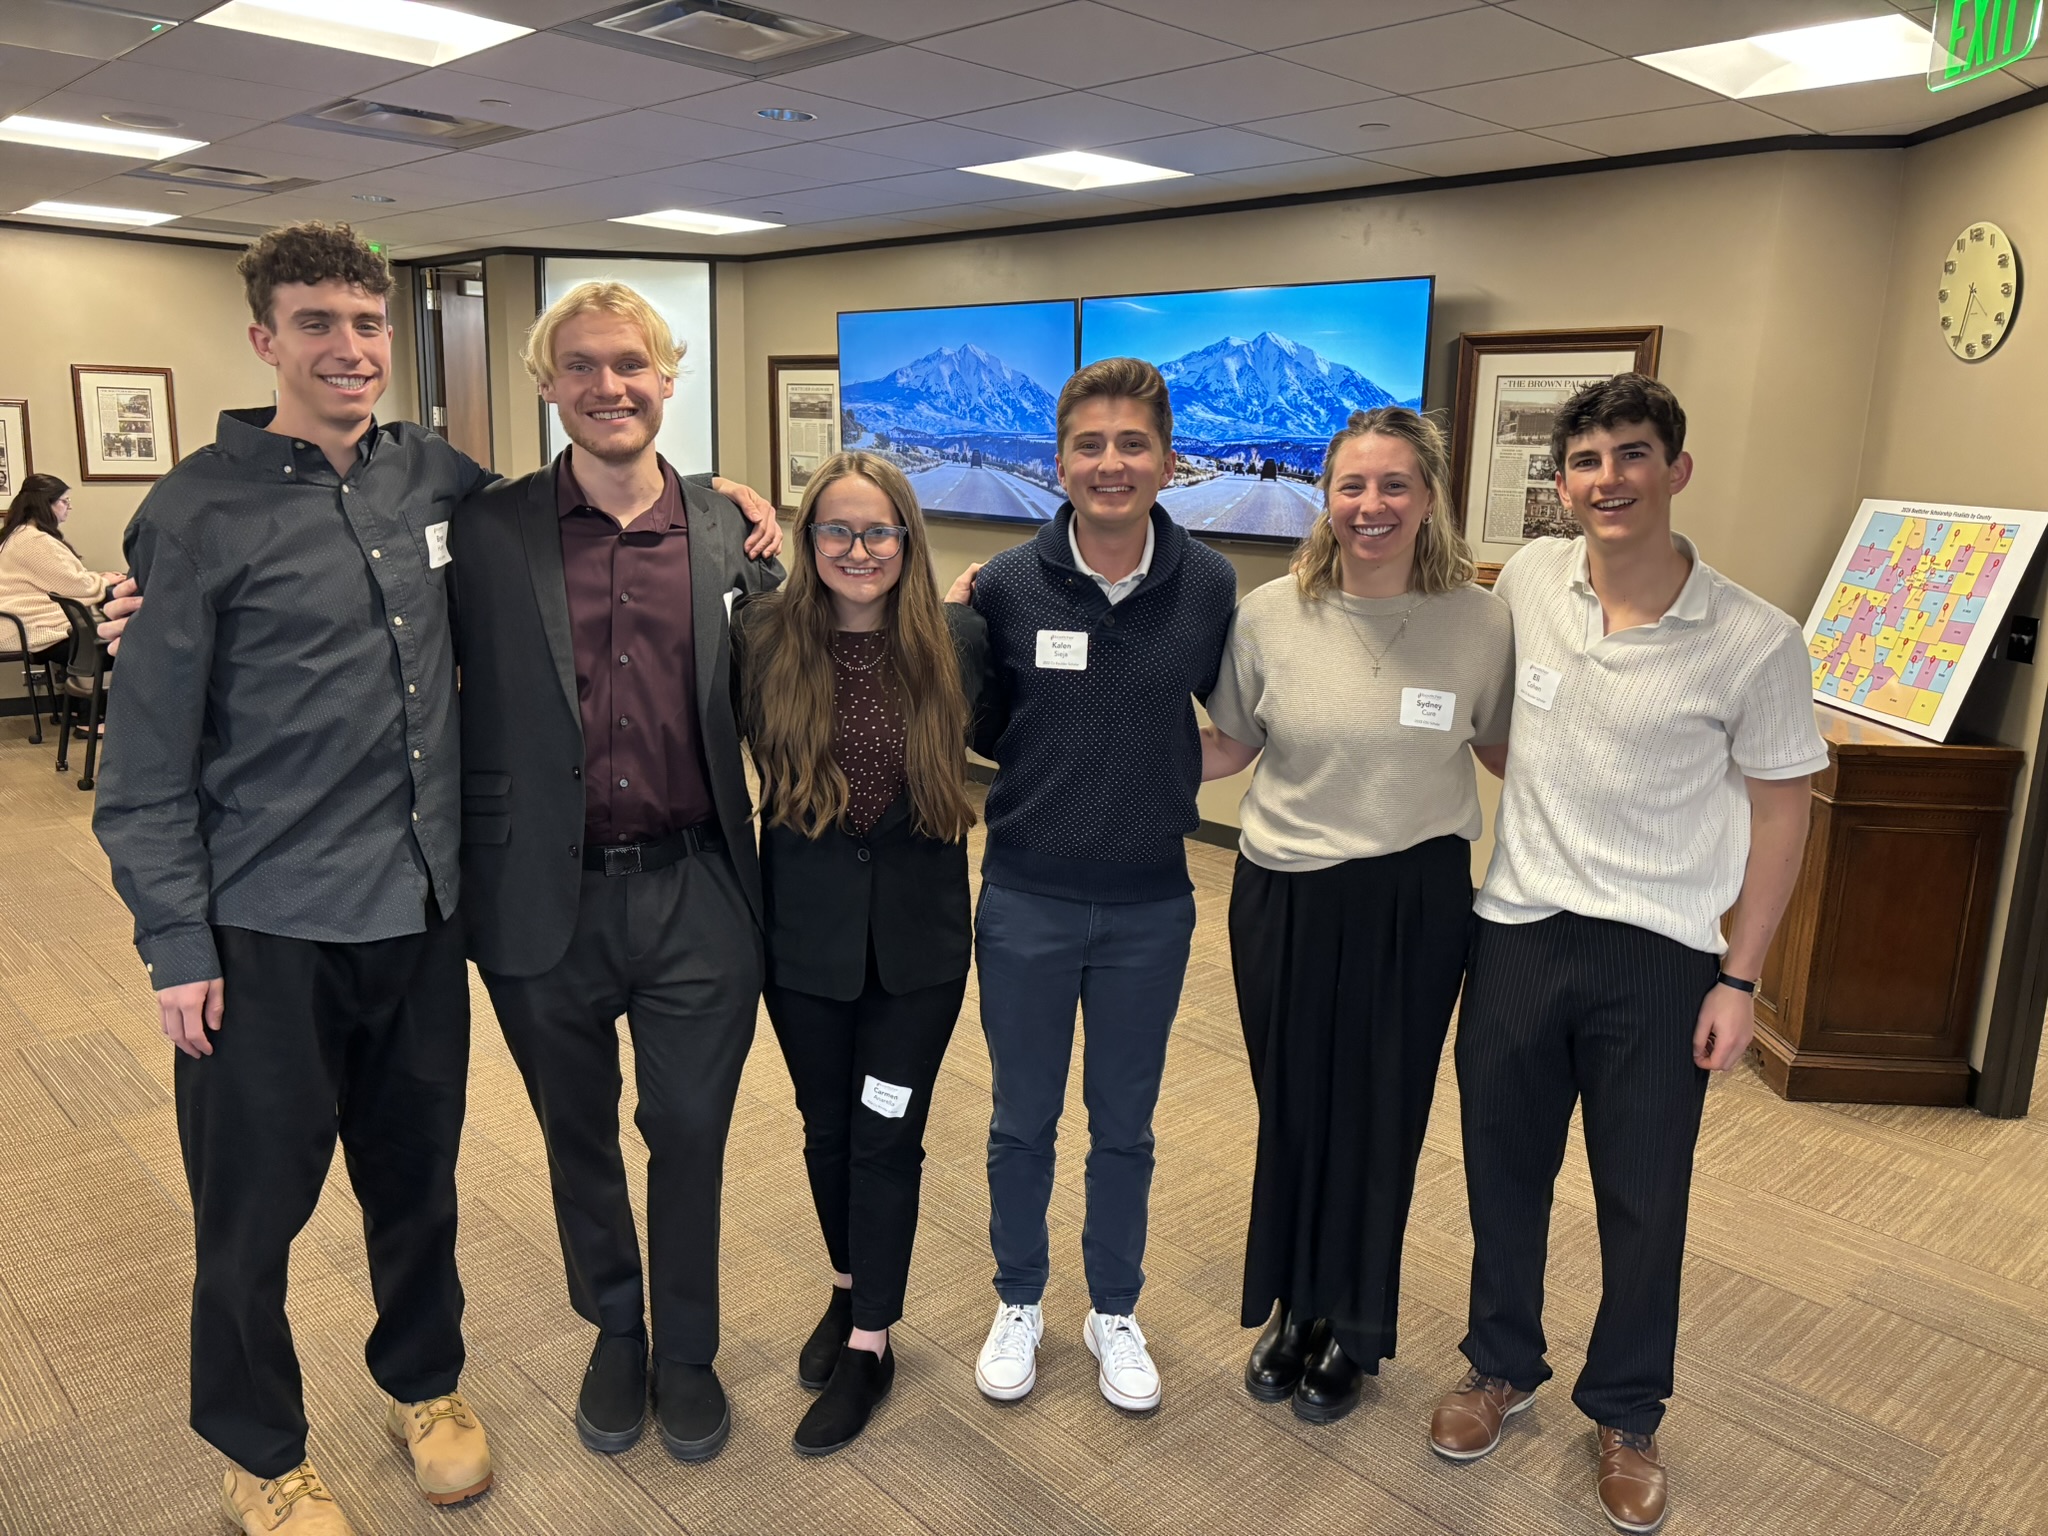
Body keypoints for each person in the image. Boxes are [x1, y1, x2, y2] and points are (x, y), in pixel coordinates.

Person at [92, 223, 496, 1536]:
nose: (351, 349)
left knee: (416, 1176)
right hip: (262, 929)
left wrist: (728, 504)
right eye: (317, 323)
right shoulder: (195, 512)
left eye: (369, 324)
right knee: (249, 1214)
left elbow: (574, 531)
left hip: (421, 911)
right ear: (264, 339)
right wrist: (175, 941)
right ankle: (261, 1451)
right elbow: (144, 760)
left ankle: (423, 1383)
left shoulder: (433, 478)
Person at [1430, 375, 1824, 1536]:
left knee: (1641, 1198)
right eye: (1588, 459)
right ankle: (1497, 1366)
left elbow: (1781, 818)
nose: (1608, 479)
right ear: (1563, 483)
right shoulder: (1531, 584)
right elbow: (1489, 711)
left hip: (1658, 957)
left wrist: (1740, 978)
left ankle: (1625, 1411)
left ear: (1675, 471)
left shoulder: (1754, 640)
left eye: (1632, 455)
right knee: (1501, 1172)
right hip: (1514, 932)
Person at [449, 280, 782, 1468]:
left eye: (630, 364)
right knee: (575, 1130)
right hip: (543, 892)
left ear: (668, 376)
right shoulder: (488, 531)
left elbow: (796, 676)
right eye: (581, 367)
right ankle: (615, 1322)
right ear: (547, 385)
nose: (609, 388)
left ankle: (684, 1345)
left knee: (689, 1128)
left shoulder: (730, 532)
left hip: (700, 887)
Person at [1201, 407, 1513, 1423]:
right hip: (1283, 894)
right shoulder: (1266, 616)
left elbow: (1513, 752)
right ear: (1322, 498)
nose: (1370, 506)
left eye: (1393, 486)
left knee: (1381, 1115)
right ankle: (1291, 1310)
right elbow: (1230, 748)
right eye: (1350, 486)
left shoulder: (1481, 620)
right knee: (1292, 1108)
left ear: (1429, 499)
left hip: (1412, 900)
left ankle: (1355, 1326)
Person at [956, 357, 1236, 1415]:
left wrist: (1156, 774)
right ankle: (1018, 1297)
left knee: (1124, 1123)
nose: (1109, 464)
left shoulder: (1207, 585)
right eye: (1088, 444)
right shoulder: (1003, 586)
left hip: (1147, 906)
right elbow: (981, 728)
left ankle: (1112, 1305)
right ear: (1058, 458)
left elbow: (1234, 721)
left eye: (1132, 445)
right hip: (1025, 894)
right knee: (1020, 1118)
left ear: (1166, 461)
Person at [733, 450, 988, 1457]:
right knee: (823, 1128)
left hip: (918, 955)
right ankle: (847, 1293)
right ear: (806, 541)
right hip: (802, 944)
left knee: (885, 1136)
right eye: (834, 530)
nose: (857, 549)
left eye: (878, 531)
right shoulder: (760, 639)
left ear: (907, 542)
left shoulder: (959, 640)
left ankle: (871, 1344)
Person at [0, 472, 122, 689]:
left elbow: (63, 579)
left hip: (20, 625)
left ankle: (84, 714)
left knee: (97, 635)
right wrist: (104, 580)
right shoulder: (34, 540)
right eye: (64, 501)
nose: (69, 507)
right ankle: (90, 717)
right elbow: (76, 587)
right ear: (45, 505)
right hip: (33, 631)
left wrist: (97, 578)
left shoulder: (17, 534)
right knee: (124, 649)